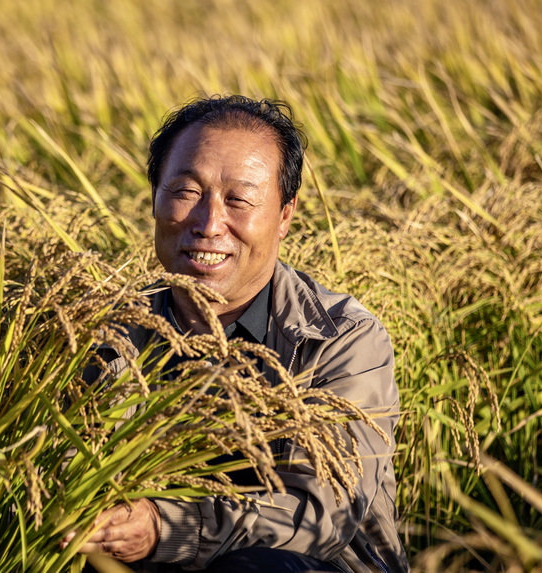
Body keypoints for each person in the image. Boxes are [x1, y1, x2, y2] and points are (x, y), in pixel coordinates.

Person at [63, 95, 409, 572]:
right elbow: (55, 468)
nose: (208, 224)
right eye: (185, 192)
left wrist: (166, 527)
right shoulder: (104, 329)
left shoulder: (342, 339)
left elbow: (321, 517)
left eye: (239, 200)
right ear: (154, 199)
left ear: (285, 215)